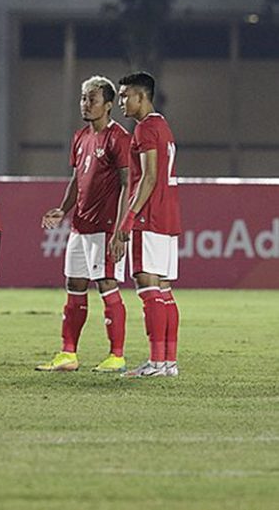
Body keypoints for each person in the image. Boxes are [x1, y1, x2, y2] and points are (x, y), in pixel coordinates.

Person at [37, 76, 132, 373]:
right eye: (83, 98)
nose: (86, 103)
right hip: (80, 226)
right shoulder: (80, 137)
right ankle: (69, 354)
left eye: (92, 99)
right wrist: (63, 210)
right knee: (74, 284)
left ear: (108, 105)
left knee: (106, 284)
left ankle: (116, 355)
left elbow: (128, 184)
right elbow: (77, 180)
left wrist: (120, 230)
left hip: (106, 228)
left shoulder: (118, 138)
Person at [109, 72, 181, 378]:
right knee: (163, 290)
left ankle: (155, 362)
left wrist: (129, 217)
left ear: (142, 96)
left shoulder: (145, 129)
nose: (121, 101)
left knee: (147, 286)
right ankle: (168, 362)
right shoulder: (162, 126)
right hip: (168, 217)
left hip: (149, 217)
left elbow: (149, 177)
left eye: (125, 95)